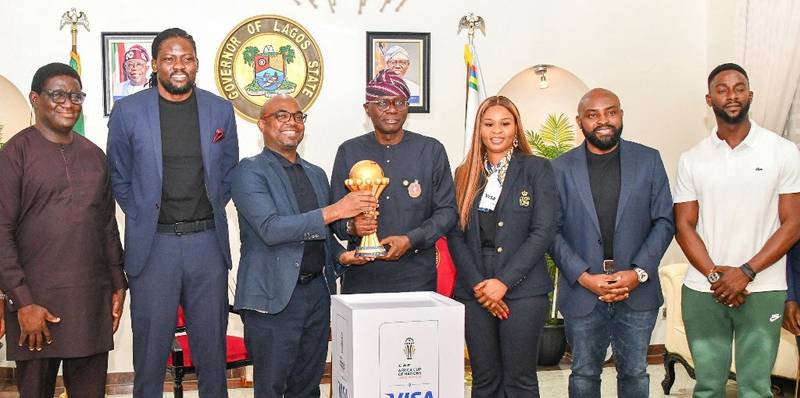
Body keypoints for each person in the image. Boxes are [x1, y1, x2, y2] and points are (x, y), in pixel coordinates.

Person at [106, 28, 239, 397]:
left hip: (206, 246)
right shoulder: (128, 111)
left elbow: (228, 173)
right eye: (169, 58)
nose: (179, 66)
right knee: (150, 356)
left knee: (212, 353)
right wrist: (142, 214)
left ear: (196, 63)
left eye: (187, 58)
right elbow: (118, 174)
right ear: (155, 64)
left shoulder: (220, 110)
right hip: (154, 248)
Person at [232, 94, 375, 397]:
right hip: (273, 299)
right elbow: (271, 229)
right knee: (271, 388)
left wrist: (344, 255)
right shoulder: (249, 171)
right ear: (262, 124)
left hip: (316, 295)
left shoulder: (316, 174)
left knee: (309, 387)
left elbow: (320, 234)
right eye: (281, 116)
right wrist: (337, 210)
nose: (292, 122)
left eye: (298, 117)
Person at [0, 62, 126, 397]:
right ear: (35, 99)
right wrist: (22, 301)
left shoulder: (94, 156)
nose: (68, 103)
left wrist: (118, 283)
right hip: (36, 308)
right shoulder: (15, 155)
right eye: (57, 95)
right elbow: (1, 232)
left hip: (89, 302)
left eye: (75, 95)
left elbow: (106, 225)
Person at [674, 63, 800, 397]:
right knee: (708, 387)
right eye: (722, 89)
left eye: (739, 87)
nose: (732, 95)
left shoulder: (783, 152)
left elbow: (794, 224)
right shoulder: (692, 159)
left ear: (750, 95)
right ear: (709, 98)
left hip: (764, 288)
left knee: (756, 388)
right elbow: (683, 225)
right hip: (704, 289)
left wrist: (746, 272)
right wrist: (717, 276)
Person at [550, 88, 674, 397]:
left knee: (634, 374)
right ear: (580, 122)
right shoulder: (560, 168)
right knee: (583, 375)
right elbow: (550, 231)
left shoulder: (648, 160)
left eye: (611, 112)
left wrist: (638, 272)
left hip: (637, 289)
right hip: (583, 290)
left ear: (621, 115)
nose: (603, 120)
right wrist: (583, 276)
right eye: (593, 115)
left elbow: (664, 221)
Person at [447, 96, 556, 397]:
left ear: (516, 128)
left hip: (523, 291)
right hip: (475, 290)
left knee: (519, 381)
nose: (497, 130)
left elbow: (543, 230)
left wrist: (503, 283)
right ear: (479, 129)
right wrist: (481, 286)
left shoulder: (537, 169)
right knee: (485, 380)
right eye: (489, 123)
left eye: (505, 124)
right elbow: (455, 234)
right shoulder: (463, 174)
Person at [330, 69, 457, 294]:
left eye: (400, 101)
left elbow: (447, 212)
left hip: (416, 278)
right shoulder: (349, 151)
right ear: (367, 109)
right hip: (362, 278)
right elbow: (334, 215)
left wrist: (411, 239)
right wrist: (352, 227)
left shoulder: (431, 150)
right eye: (382, 102)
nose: (392, 109)